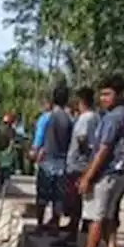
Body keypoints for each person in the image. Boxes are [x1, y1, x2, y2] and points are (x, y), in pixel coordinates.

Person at [77, 74, 124, 247]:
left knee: (97, 217)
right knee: (109, 217)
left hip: (108, 172)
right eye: (101, 94)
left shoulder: (112, 118)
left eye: (108, 94)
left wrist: (87, 177)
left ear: (118, 95)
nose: (103, 99)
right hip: (121, 172)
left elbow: (103, 150)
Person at [54, 87, 99, 247]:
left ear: (81, 101)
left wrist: (85, 155)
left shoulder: (85, 118)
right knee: (79, 202)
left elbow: (82, 138)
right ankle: (77, 233)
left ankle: (73, 234)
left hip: (78, 166)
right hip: (83, 164)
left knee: (75, 202)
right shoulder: (95, 117)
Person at [31, 86, 74, 236]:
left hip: (47, 160)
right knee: (58, 196)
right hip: (63, 161)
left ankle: (40, 224)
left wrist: (34, 152)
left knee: (42, 195)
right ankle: (55, 224)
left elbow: (38, 138)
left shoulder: (46, 117)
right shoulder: (69, 119)